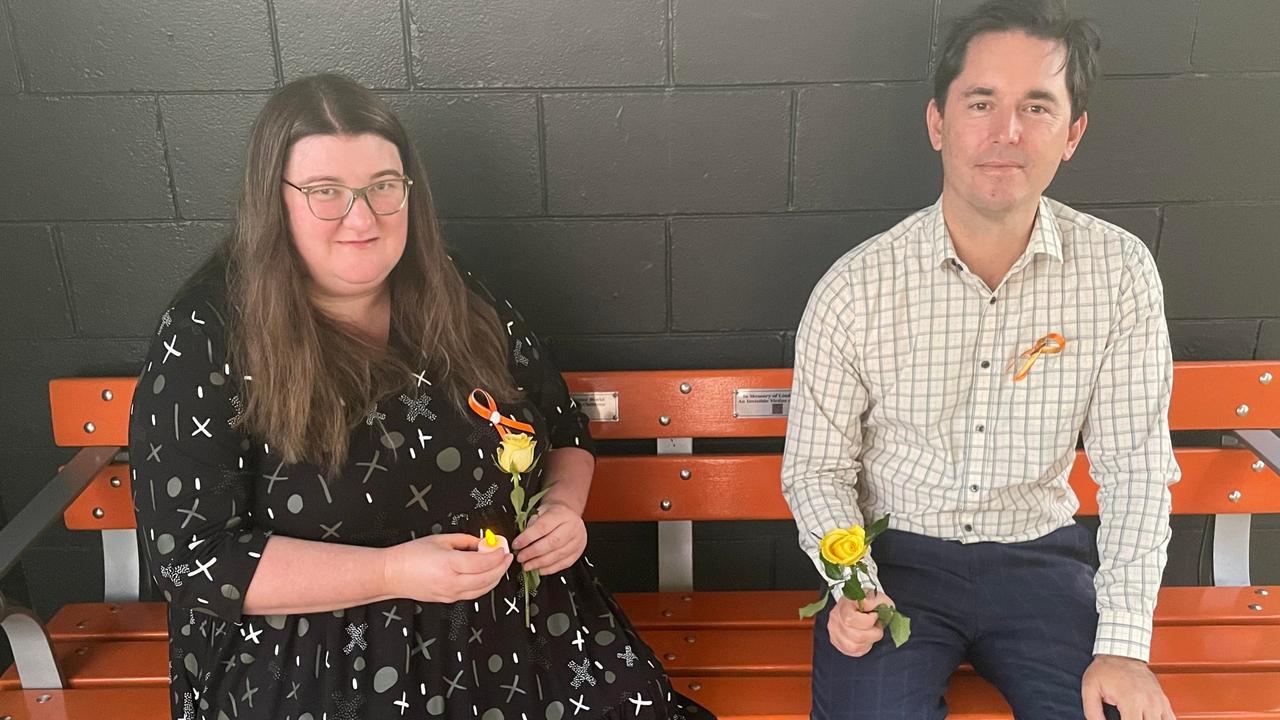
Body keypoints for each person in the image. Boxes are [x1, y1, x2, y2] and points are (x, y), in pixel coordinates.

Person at [129, 73, 709, 720]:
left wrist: (564, 511)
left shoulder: (452, 291)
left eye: (383, 187)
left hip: (519, 639)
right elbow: (194, 562)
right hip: (314, 665)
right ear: (275, 199)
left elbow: (562, 428)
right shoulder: (210, 331)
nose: (362, 217)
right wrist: (390, 574)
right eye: (326, 192)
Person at [781, 2, 1179, 718]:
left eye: (1037, 106)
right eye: (982, 103)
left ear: (1073, 133)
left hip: (1044, 561)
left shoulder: (1119, 273)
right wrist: (852, 585)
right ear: (938, 122)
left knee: (1110, 713)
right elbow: (817, 471)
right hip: (897, 561)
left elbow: (1136, 469)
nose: (1007, 132)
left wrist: (1124, 643)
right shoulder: (856, 286)